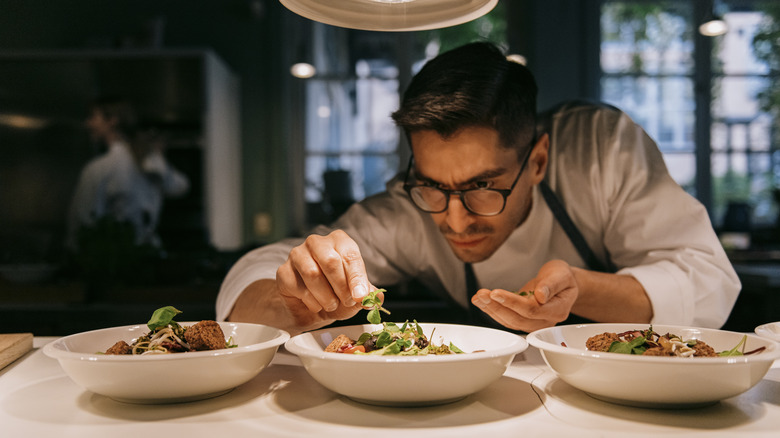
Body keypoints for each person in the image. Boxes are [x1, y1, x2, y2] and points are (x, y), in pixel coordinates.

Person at [217, 42, 740, 335]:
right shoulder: (410, 210)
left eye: (482, 187)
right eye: (433, 186)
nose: (456, 218)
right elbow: (258, 275)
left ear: (537, 161)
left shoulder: (601, 149)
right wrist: (300, 297)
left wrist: (583, 288)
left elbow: (708, 279)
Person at [65, 97, 190, 252]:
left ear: (112, 121)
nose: (88, 123)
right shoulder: (149, 159)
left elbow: (82, 222)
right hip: (148, 253)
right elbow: (180, 187)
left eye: (93, 117)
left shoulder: (101, 168)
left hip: (113, 257)